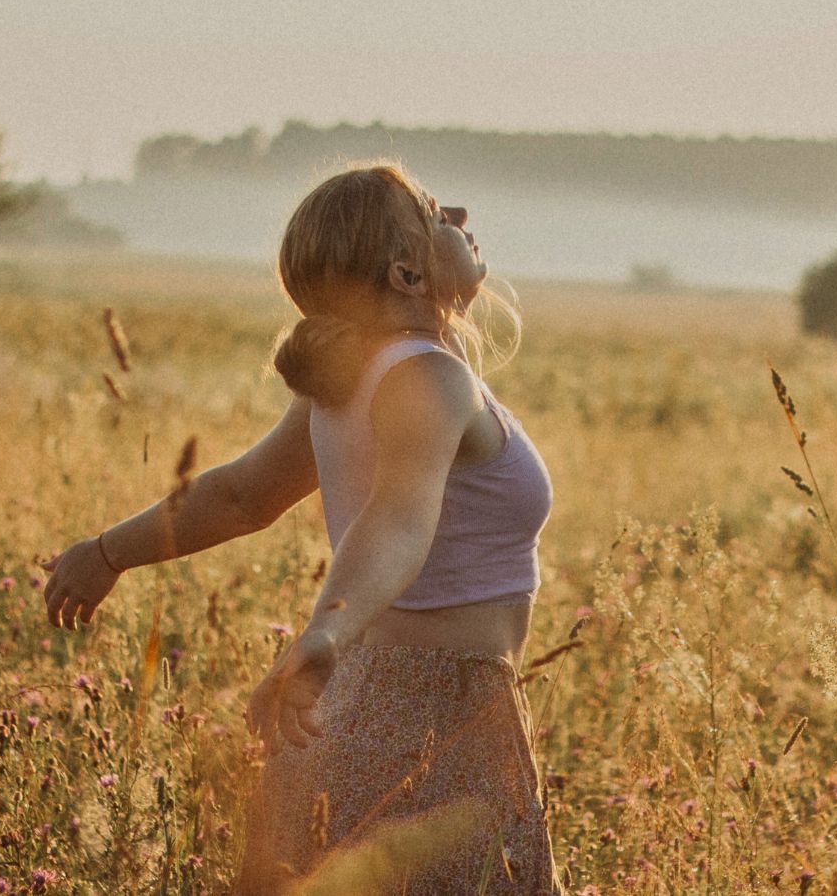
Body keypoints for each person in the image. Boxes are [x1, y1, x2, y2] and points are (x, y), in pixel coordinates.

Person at [38, 162, 561, 893]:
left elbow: (239, 498)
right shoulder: (427, 380)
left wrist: (106, 553)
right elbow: (397, 523)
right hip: (433, 716)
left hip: (355, 705)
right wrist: (324, 634)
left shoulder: (360, 380)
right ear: (408, 273)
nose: (463, 215)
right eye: (438, 212)